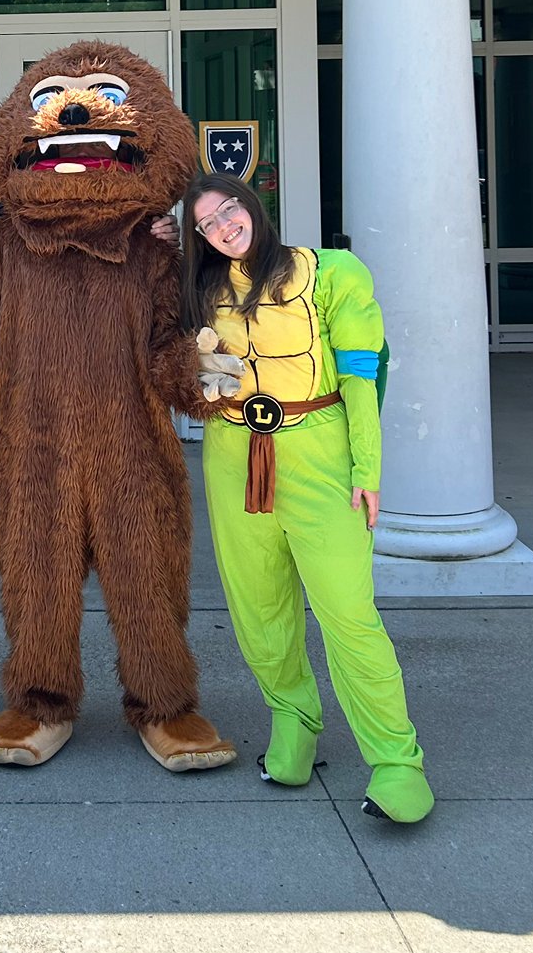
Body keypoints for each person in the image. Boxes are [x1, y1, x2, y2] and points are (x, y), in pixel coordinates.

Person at [182, 172, 434, 824]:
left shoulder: (333, 273)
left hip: (319, 452)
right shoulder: (201, 287)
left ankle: (397, 763)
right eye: (206, 224)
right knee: (259, 608)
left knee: (348, 613)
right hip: (234, 454)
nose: (222, 228)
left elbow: (362, 376)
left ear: (252, 207)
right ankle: (293, 723)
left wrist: (367, 469)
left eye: (228, 211)